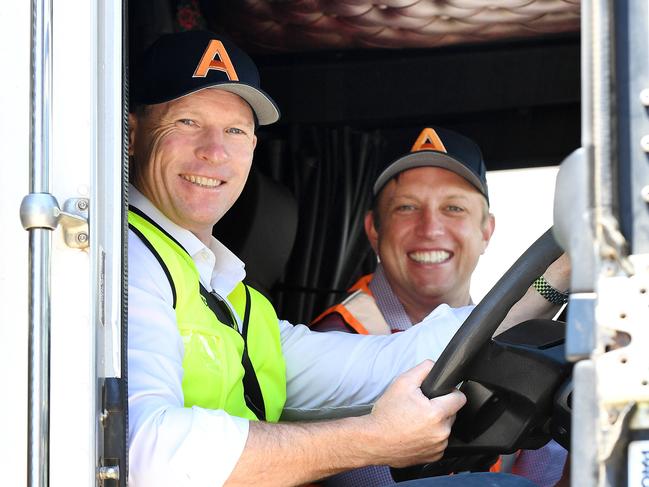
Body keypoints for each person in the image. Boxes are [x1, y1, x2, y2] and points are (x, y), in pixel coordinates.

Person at [127, 30, 565, 487]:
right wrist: (372, 438)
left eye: (235, 130)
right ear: (133, 134)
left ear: (252, 148)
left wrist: (556, 278)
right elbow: (146, 452)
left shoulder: (237, 303)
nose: (214, 151)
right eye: (187, 122)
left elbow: (395, 361)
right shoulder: (124, 260)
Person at [311, 127, 569, 486]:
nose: (431, 228)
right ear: (374, 230)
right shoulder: (337, 342)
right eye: (407, 207)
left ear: (486, 231)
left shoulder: (522, 342)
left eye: (453, 207)